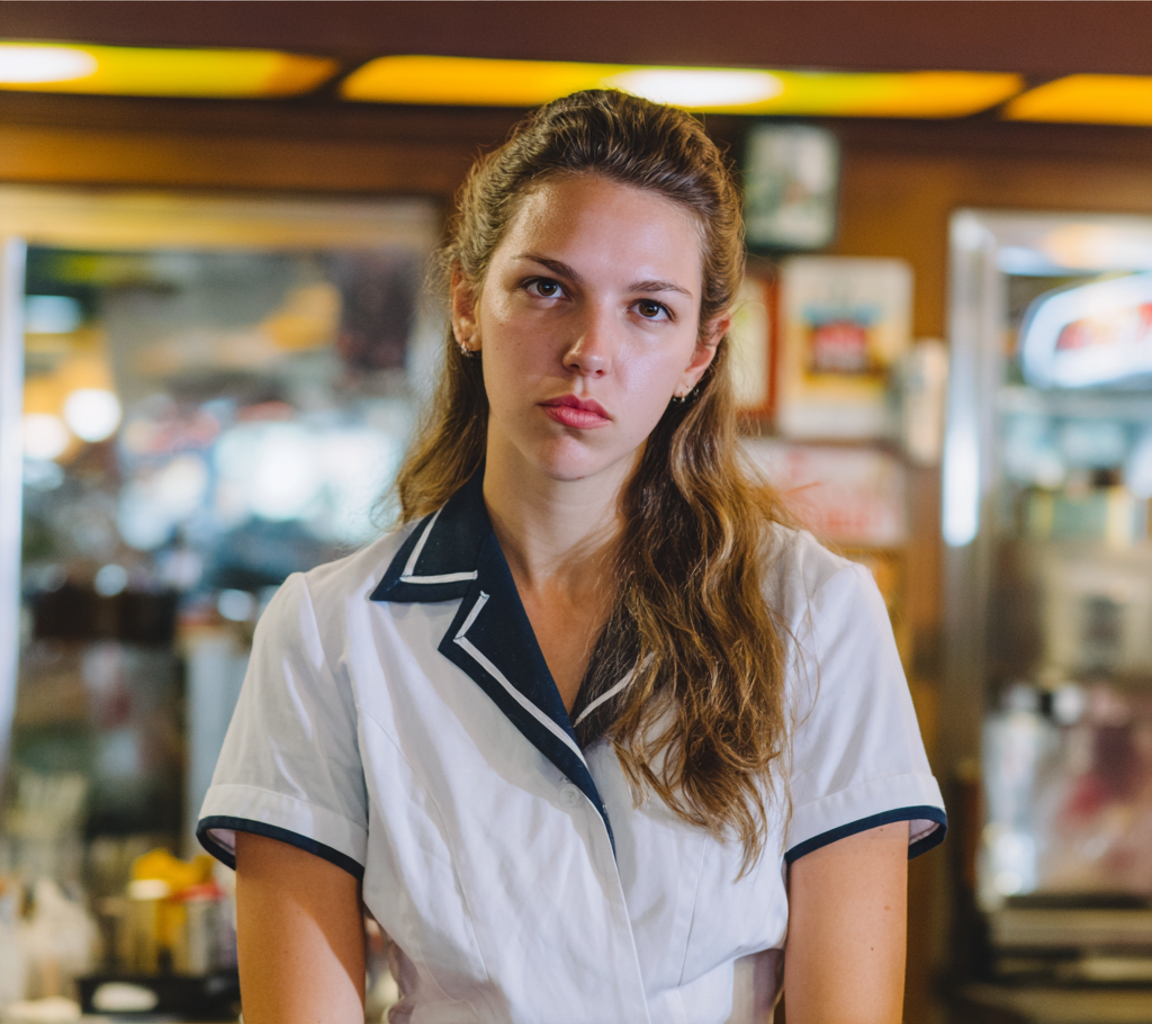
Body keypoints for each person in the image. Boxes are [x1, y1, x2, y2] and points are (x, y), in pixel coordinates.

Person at [197, 89, 945, 1024]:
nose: (591, 350)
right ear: (469, 306)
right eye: (546, 287)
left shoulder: (817, 610)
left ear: (700, 355)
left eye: (649, 309)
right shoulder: (328, 631)